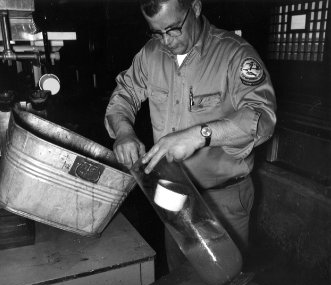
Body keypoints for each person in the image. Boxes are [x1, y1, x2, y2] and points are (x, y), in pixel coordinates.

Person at [104, 0, 276, 271]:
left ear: (195, 8)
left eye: (173, 29)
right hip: (174, 197)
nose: (167, 42)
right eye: (156, 32)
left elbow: (263, 117)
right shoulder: (151, 54)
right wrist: (124, 132)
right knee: (181, 278)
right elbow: (124, 95)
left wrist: (200, 134)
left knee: (225, 277)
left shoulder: (234, 53)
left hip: (224, 200)